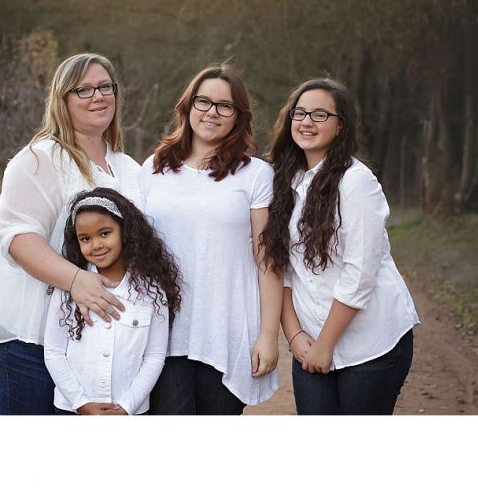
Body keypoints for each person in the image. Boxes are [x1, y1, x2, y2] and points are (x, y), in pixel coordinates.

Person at [0, 53, 143, 415]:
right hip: (31, 339)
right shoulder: (39, 159)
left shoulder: (129, 169)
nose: (97, 96)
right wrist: (76, 280)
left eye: (105, 87)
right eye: (83, 89)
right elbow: (18, 238)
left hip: (99, 345)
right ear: (62, 100)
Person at [259, 77, 420, 415]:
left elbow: (360, 272)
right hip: (310, 341)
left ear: (340, 125)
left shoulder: (356, 182)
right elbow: (283, 268)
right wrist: (295, 334)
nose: (306, 121)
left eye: (320, 115)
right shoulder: (284, 181)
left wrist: (325, 345)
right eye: (299, 112)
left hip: (370, 344)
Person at [138, 62, 283, 414]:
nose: (212, 112)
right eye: (203, 102)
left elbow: (268, 260)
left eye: (225, 105)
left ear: (238, 116)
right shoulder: (153, 168)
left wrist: (268, 334)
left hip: (226, 331)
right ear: (187, 107)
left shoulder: (256, 175)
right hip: (163, 333)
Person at [44, 187, 182, 415]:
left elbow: (154, 357)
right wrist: (81, 404)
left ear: (125, 232)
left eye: (105, 233)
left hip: (130, 411)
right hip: (73, 409)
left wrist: (127, 407)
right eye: (85, 238)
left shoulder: (152, 292)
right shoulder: (67, 290)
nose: (96, 244)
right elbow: (54, 352)